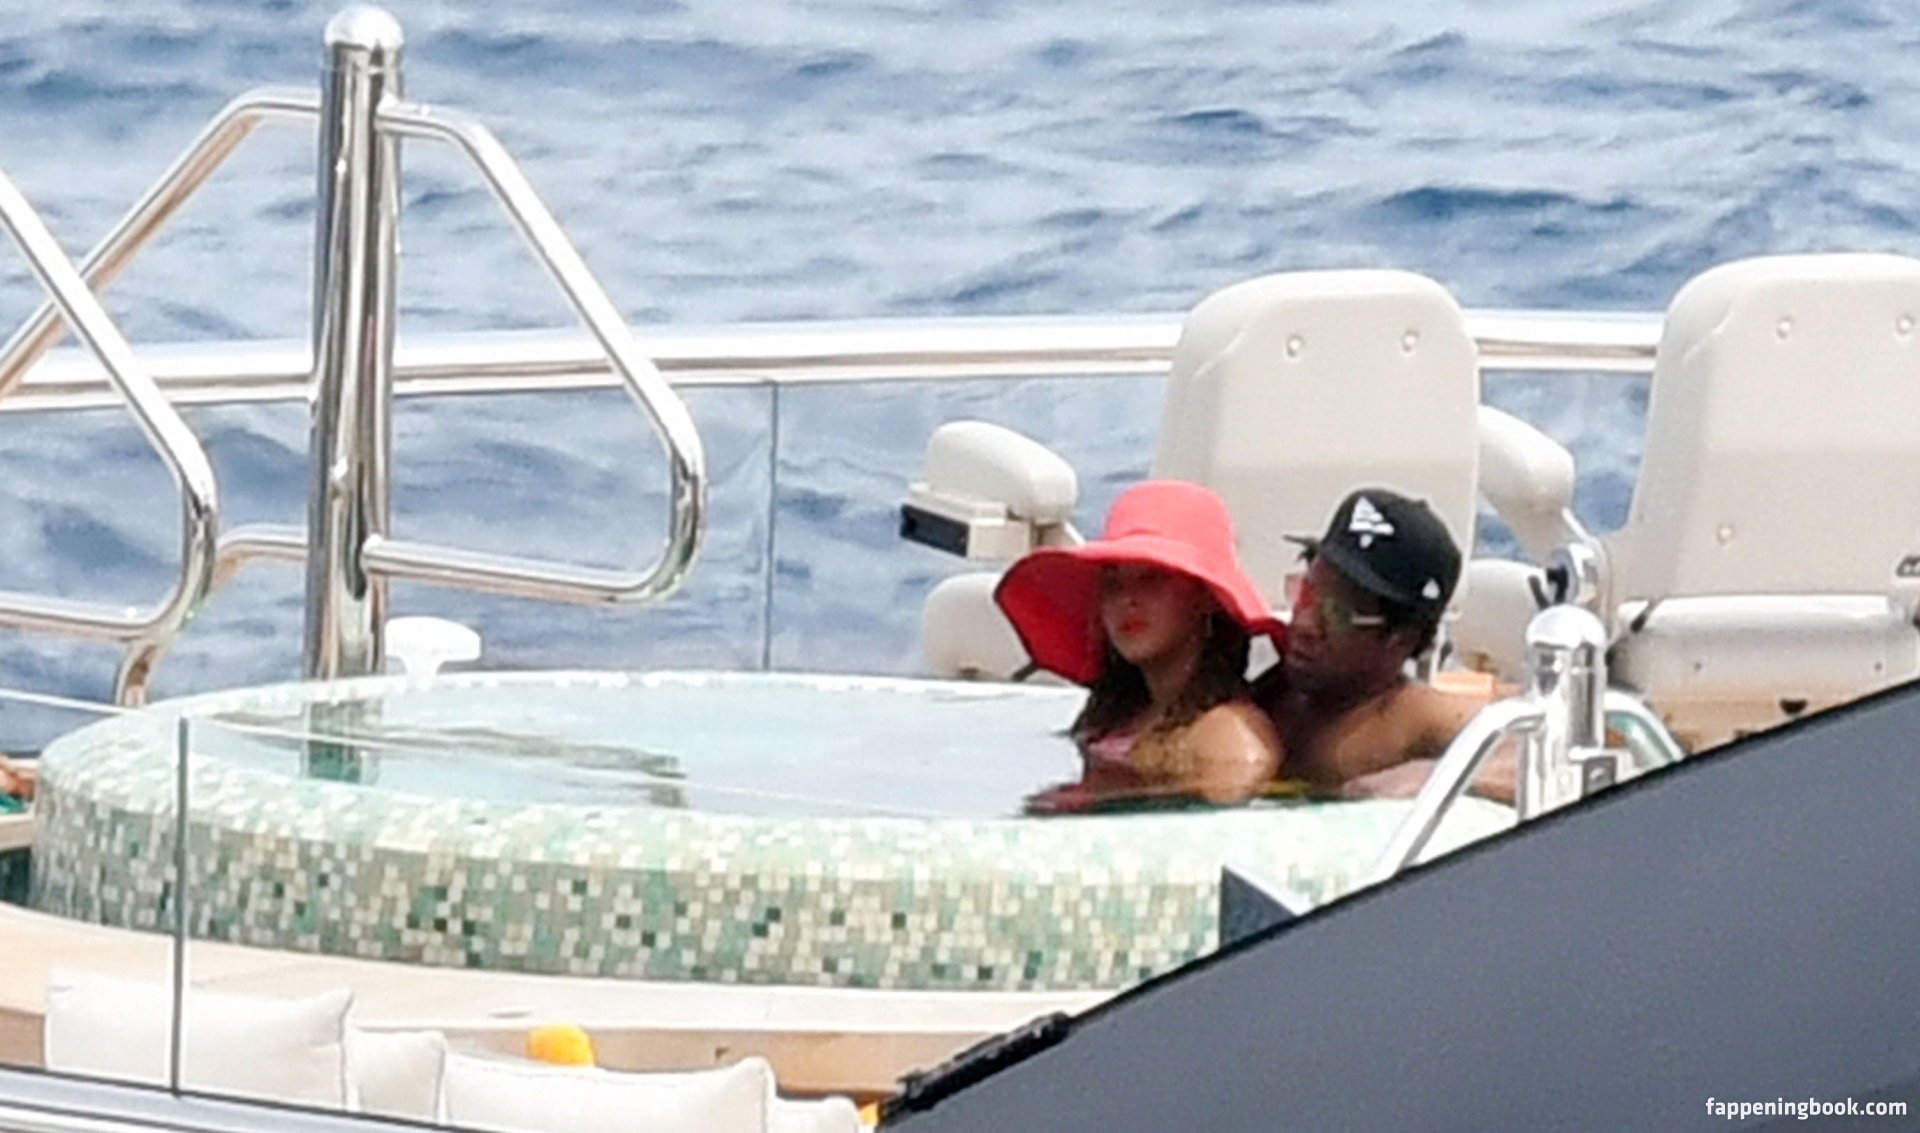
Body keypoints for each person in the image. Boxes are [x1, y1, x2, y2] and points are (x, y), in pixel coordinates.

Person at [995, 479, 1285, 812]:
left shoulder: (1226, 736)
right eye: (1113, 581)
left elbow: (1221, 835)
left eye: (1153, 577)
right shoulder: (1113, 716)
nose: (1128, 599)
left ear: (1205, 596)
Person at [1252, 487, 1515, 803]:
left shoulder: (1410, 718)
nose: (1305, 624)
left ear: (1400, 640)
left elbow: (1531, 751)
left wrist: (1436, 777)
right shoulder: (1276, 688)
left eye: (1338, 614)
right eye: (1305, 595)